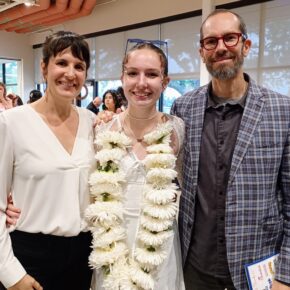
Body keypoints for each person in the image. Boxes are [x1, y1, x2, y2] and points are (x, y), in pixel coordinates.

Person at [171, 9, 290, 290]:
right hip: (194, 268)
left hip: (257, 271)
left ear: (245, 45)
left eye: (230, 38)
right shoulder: (183, 108)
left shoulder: (282, 111)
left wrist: (285, 276)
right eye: (211, 41)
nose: (221, 47)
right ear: (202, 51)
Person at [0, 31, 95, 290]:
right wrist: (10, 272)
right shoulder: (11, 122)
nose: (70, 73)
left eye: (79, 66)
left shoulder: (92, 123)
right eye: (62, 63)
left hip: (83, 257)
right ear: (44, 68)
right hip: (30, 256)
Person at [86, 42, 185, 289]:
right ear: (122, 77)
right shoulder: (102, 129)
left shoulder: (178, 130)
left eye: (152, 74)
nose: (141, 83)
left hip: (159, 248)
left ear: (165, 81)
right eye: (133, 73)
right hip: (112, 246)